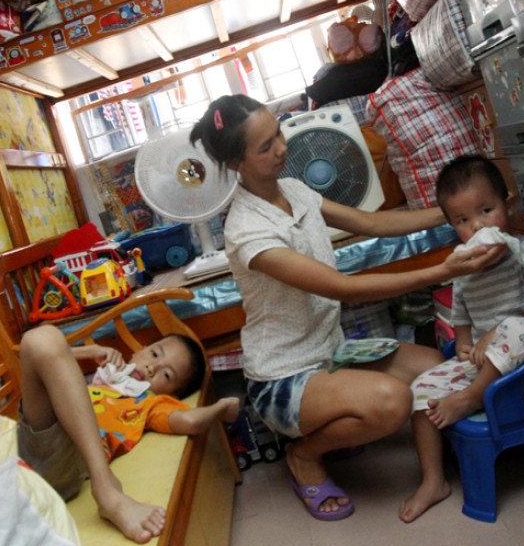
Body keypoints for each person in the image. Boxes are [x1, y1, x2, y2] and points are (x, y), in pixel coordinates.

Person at [188, 95, 506, 523]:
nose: (282, 148)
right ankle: (303, 454)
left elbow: (373, 223)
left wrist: (457, 214)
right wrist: (439, 270)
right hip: (284, 376)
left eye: (278, 133)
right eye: (265, 147)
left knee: (435, 366)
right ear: (235, 163)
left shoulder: (295, 190)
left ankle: (339, 424)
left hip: (329, 350)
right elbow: (343, 288)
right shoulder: (248, 231)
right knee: (393, 403)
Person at [18, 325, 240, 543]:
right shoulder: (106, 377)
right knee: (39, 339)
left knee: (43, 338)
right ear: (139, 349)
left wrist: (221, 408)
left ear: (173, 396)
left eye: (166, 374)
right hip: (26, 448)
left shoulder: (148, 403)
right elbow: (33, 356)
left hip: (61, 459)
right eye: (154, 354)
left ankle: (106, 488)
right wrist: (91, 351)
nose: (152, 367)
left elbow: (190, 421)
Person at [410, 154, 524, 432]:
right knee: (420, 389)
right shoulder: (464, 272)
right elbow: (461, 319)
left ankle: (472, 398)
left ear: (507, 206)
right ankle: (433, 476)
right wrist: (463, 346)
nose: (478, 226)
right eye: (463, 219)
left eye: (486, 211)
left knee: (517, 325)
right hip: (483, 369)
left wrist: (496, 332)